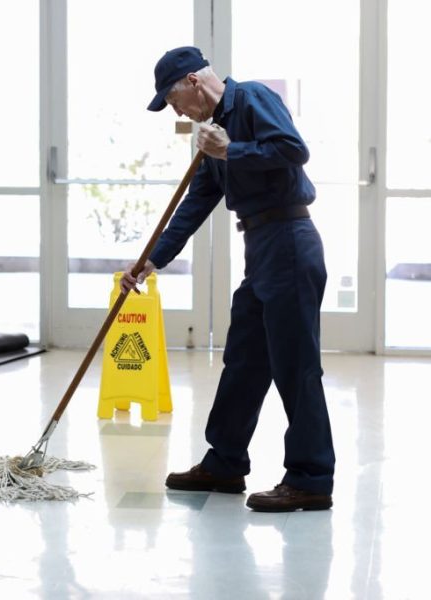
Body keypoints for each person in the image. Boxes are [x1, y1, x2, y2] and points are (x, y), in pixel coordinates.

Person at [120, 46, 335, 512]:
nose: (175, 111)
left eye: (173, 100)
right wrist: (150, 261)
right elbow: (196, 203)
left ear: (194, 83)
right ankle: (225, 463)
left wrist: (232, 149)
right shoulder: (210, 137)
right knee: (243, 361)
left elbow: (294, 149)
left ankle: (311, 478)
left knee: (296, 367)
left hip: (291, 241)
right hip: (260, 248)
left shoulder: (252, 99)